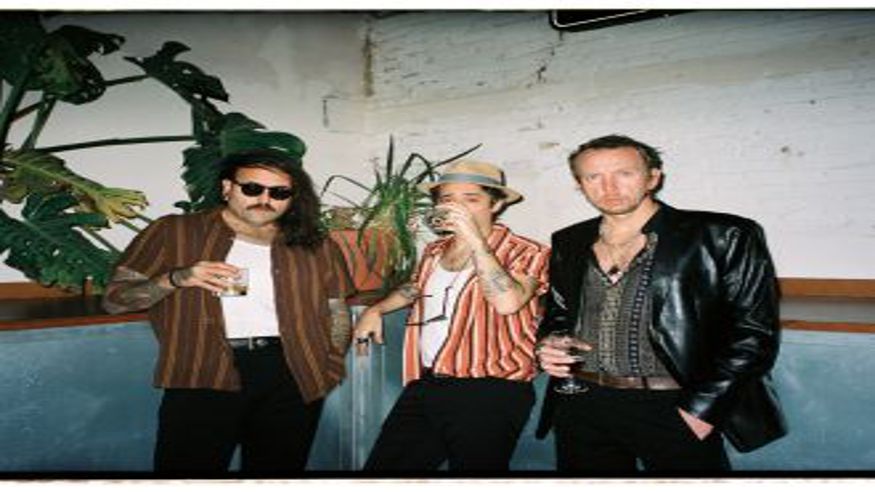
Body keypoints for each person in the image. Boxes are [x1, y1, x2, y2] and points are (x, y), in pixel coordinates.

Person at [535, 134, 787, 472]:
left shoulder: (723, 234)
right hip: (582, 402)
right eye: (593, 176)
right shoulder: (569, 240)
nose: (609, 187)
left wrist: (701, 410)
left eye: (624, 173)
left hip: (675, 403)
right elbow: (559, 314)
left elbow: (754, 333)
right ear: (580, 185)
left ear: (653, 177)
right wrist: (549, 343)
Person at [102, 149, 353, 475]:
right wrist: (177, 278)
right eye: (252, 188)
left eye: (279, 193)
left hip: (295, 373)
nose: (265, 199)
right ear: (227, 188)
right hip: (204, 371)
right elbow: (116, 300)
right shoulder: (174, 231)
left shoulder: (314, 244)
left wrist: (329, 363)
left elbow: (336, 309)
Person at [353, 159, 550, 472]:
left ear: (496, 204)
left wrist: (475, 241)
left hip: (490, 390)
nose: (457, 207)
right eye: (448, 199)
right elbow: (415, 287)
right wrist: (376, 309)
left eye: (471, 199)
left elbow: (507, 302)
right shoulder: (434, 250)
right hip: (427, 382)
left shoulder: (528, 251)